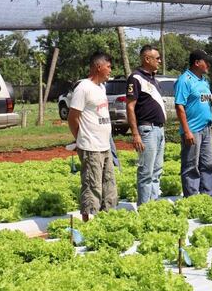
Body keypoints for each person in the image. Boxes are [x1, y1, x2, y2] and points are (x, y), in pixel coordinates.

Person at [69, 52, 118, 222]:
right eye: (109, 66)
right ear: (99, 67)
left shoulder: (101, 88)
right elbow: (73, 117)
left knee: (108, 184)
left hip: (104, 146)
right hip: (90, 147)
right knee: (92, 186)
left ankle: (106, 218)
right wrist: (81, 139)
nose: (110, 70)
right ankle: (89, 222)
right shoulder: (83, 88)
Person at [175, 49, 212, 197]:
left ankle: (208, 196)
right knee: (191, 166)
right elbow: (179, 106)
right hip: (192, 129)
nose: (208, 65)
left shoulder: (204, 81)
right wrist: (186, 131)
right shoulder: (184, 80)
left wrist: (211, 100)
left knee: (208, 164)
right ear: (196, 63)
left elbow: (199, 99)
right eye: (206, 62)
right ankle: (192, 199)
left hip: (206, 128)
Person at [126, 45, 166, 205]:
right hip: (147, 130)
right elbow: (130, 106)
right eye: (157, 58)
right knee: (146, 172)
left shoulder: (153, 78)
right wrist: (135, 134)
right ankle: (144, 208)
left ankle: (153, 205)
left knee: (157, 171)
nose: (160, 61)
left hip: (159, 129)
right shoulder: (135, 78)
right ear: (146, 59)